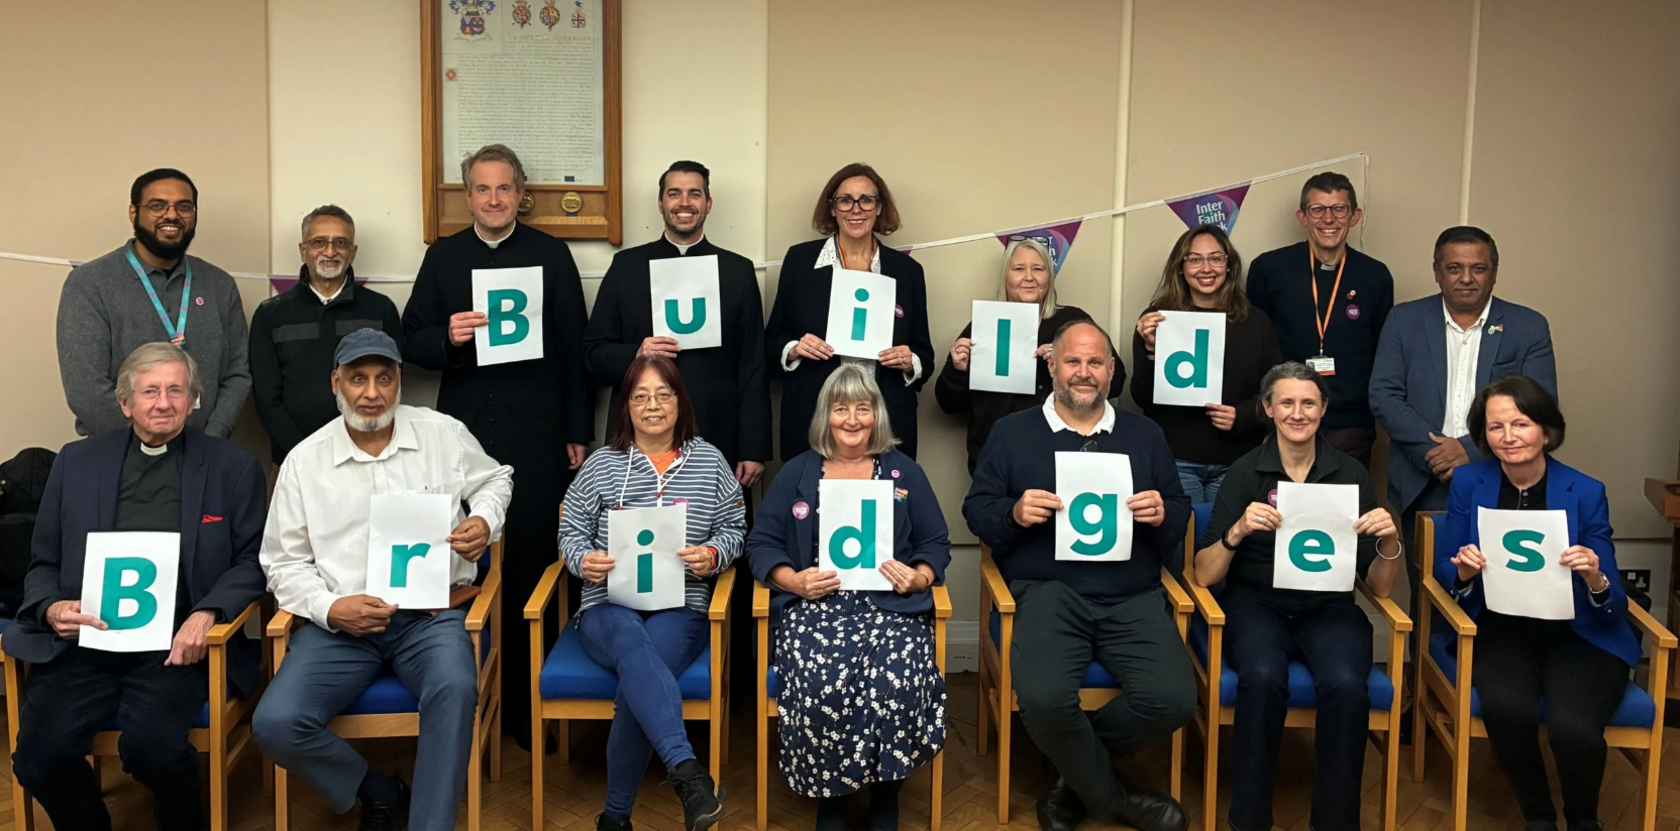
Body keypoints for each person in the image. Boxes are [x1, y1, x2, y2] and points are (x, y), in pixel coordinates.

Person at [254, 328, 513, 831]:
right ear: (336, 383)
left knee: (456, 686)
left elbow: (495, 478)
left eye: (384, 379)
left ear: (398, 382)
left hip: (430, 617)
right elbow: (282, 564)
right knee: (275, 724)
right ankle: (378, 789)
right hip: (343, 628)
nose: (371, 393)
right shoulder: (304, 462)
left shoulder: (442, 433)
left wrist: (484, 519)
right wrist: (331, 609)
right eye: (357, 379)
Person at [7, 343, 267, 831]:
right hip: (88, 638)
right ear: (125, 403)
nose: (163, 402)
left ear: (194, 401)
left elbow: (252, 562)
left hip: (177, 643)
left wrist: (207, 613)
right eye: (149, 391)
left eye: (176, 390)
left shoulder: (234, 467)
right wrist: (50, 607)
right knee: (37, 758)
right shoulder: (76, 462)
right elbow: (43, 560)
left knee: (154, 750)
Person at [962, 319, 1194, 831]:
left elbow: (1178, 512)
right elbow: (976, 510)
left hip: (1131, 593)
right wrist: (1013, 513)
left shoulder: (1144, 434)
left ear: (1112, 371)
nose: (1083, 373)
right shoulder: (1013, 432)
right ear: (1051, 366)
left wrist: (1163, 513)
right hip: (1046, 592)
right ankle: (1114, 799)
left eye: (1095, 363)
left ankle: (1073, 778)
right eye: (1072, 362)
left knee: (1175, 699)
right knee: (1042, 699)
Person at [401, 143, 592, 743]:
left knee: (533, 559)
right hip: (460, 434)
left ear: (520, 193)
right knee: (461, 561)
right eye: (481, 190)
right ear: (468, 195)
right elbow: (410, 340)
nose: (493, 199)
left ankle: (529, 708)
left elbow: (574, 351)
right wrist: (447, 337)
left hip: (537, 431)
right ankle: (465, 699)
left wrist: (577, 432)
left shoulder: (551, 254)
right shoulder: (442, 258)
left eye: (503, 189)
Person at [1192, 362, 1402, 831]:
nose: (1297, 413)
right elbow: (1203, 575)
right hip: (1256, 604)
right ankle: (1248, 820)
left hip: (1329, 607)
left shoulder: (1349, 473)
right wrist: (1237, 531)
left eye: (1308, 403)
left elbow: (1382, 587)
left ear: (1324, 409)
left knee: (1348, 684)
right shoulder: (1246, 472)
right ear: (1267, 409)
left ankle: (1335, 822)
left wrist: (1389, 542)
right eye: (1286, 402)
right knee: (1263, 677)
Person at [747, 363, 950, 831]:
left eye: (863, 408)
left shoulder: (904, 473)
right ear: (826, 415)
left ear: (877, 414)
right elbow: (761, 544)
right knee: (822, 684)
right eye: (842, 409)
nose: (853, 420)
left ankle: (885, 794)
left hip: (891, 608)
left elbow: (936, 542)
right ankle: (832, 798)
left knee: (897, 680)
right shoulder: (798, 472)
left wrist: (918, 577)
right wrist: (793, 581)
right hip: (815, 607)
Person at [1434, 376, 1635, 831]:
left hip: (1579, 636)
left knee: (1574, 728)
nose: (1508, 437)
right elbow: (1446, 571)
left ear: (1546, 430)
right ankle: (1538, 817)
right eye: (1495, 427)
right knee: (1508, 708)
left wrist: (1594, 575)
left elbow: (1613, 600)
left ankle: (1584, 820)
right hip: (1501, 631)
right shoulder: (1468, 482)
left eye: (1520, 424)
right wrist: (1463, 570)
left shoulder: (1585, 491)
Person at [559, 354, 741, 831]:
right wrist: (583, 560)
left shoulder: (710, 460)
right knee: (629, 643)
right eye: (640, 396)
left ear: (681, 402)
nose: (652, 405)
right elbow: (570, 531)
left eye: (663, 394)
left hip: (681, 604)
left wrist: (714, 554)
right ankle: (688, 773)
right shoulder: (601, 465)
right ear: (626, 407)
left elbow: (735, 528)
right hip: (608, 604)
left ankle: (615, 819)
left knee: (635, 679)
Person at [1370, 226, 1557, 565]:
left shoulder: (1528, 326)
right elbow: (1383, 395)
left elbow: (1541, 406)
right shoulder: (1404, 320)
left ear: (1494, 273)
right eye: (1455, 268)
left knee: (1497, 584)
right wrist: (1437, 452)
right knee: (1429, 592)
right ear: (1437, 272)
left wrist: (1468, 449)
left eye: (1478, 268)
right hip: (1424, 478)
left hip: (1502, 474)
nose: (1466, 278)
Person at [584, 160, 770, 491]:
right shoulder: (626, 267)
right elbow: (593, 354)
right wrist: (637, 353)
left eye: (694, 194)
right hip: (639, 438)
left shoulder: (737, 271)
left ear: (708, 204)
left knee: (716, 537)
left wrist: (753, 448)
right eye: (674, 194)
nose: (684, 203)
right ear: (661, 203)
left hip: (718, 433)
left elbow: (753, 365)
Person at [56, 168, 251, 439]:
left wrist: (210, 441)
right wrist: (146, 447)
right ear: (134, 213)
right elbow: (85, 387)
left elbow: (237, 373)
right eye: (157, 205)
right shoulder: (89, 284)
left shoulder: (220, 285)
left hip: (205, 456)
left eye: (184, 207)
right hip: (119, 456)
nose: (172, 215)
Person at [765, 163, 935, 460]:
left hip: (885, 420)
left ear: (879, 207)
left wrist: (912, 361)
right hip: (813, 418)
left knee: (881, 506)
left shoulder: (907, 272)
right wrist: (794, 348)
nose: (856, 209)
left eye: (866, 200)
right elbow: (771, 341)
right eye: (845, 200)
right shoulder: (801, 261)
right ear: (832, 208)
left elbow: (925, 355)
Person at [1245, 172, 1394, 468]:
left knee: (1342, 509)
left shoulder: (1375, 276)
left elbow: (1382, 350)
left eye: (1339, 209)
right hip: (1285, 414)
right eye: (1318, 209)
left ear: (1355, 216)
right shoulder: (1269, 268)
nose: (1329, 219)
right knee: (1281, 508)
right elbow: (1254, 344)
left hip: (1350, 422)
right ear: (1303, 216)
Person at [1131, 224, 1282, 504]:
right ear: (1181, 267)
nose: (1206, 268)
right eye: (1195, 259)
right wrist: (1151, 349)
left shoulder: (1255, 321)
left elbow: (1276, 391)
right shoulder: (1158, 319)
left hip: (1237, 460)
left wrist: (1243, 415)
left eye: (1216, 258)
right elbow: (1142, 397)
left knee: (1225, 543)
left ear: (1229, 266)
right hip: (1177, 457)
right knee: (1181, 543)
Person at [250, 205, 403, 462]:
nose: (330, 251)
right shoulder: (271, 315)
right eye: (319, 242)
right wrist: (303, 455)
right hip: (294, 459)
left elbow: (391, 386)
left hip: (368, 457)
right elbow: (267, 400)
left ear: (352, 252)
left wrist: (366, 449)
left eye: (340, 243)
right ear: (303, 250)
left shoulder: (380, 309)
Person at [935, 237, 1095, 474]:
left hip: (1062, 456)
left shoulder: (1073, 322)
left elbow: (1115, 381)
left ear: (1049, 277)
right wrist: (957, 370)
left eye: (1038, 269)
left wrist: (1068, 359)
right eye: (1019, 269)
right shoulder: (984, 324)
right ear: (1006, 277)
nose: (1029, 277)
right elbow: (948, 404)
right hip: (995, 457)